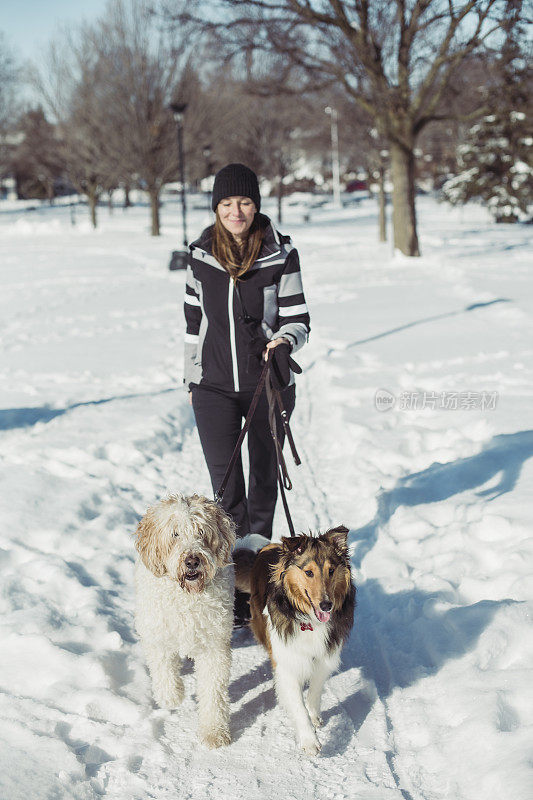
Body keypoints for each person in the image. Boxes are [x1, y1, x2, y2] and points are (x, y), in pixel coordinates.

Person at [183, 162, 310, 556]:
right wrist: (192, 378)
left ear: (255, 206)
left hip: (267, 385)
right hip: (214, 388)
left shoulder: (281, 255)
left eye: (243, 202)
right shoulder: (200, 257)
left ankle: (258, 564)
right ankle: (234, 572)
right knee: (225, 487)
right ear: (216, 208)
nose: (235, 212)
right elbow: (193, 321)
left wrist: (285, 342)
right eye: (226, 203)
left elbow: (298, 318)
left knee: (263, 484)